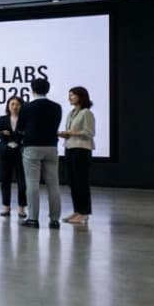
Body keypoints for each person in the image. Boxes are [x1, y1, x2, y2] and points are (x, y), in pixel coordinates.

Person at [17, 78, 63, 228]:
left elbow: (20, 127)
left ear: (33, 90)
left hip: (32, 147)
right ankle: (55, 220)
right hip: (51, 146)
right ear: (47, 89)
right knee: (53, 184)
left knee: (32, 184)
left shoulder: (27, 107)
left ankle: (33, 218)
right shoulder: (57, 107)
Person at [59, 86, 95, 226]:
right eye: (69, 95)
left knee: (81, 182)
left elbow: (89, 133)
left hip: (82, 149)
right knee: (73, 182)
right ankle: (77, 211)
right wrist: (65, 134)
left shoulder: (86, 113)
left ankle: (84, 212)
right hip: (70, 148)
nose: (70, 98)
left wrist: (70, 133)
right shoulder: (71, 112)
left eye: (73, 95)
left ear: (81, 96)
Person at [0, 96, 28, 218]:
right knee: (5, 180)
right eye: (12, 104)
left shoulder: (25, 119)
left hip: (20, 152)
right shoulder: (2, 119)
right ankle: (6, 207)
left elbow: (27, 134)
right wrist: (2, 133)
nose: (14, 107)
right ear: (8, 106)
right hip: (5, 152)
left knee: (22, 181)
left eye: (17, 104)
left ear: (21, 106)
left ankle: (21, 208)